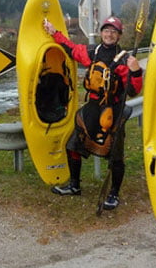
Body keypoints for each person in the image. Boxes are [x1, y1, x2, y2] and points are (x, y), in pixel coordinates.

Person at [43, 16, 143, 210]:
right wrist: (54, 32)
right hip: (93, 107)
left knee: (116, 154)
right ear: (101, 33)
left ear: (119, 35)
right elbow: (70, 48)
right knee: (72, 144)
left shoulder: (125, 60)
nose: (109, 34)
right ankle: (74, 185)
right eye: (106, 30)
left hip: (113, 110)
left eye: (114, 31)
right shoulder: (92, 52)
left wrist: (136, 71)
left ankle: (113, 193)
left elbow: (133, 91)